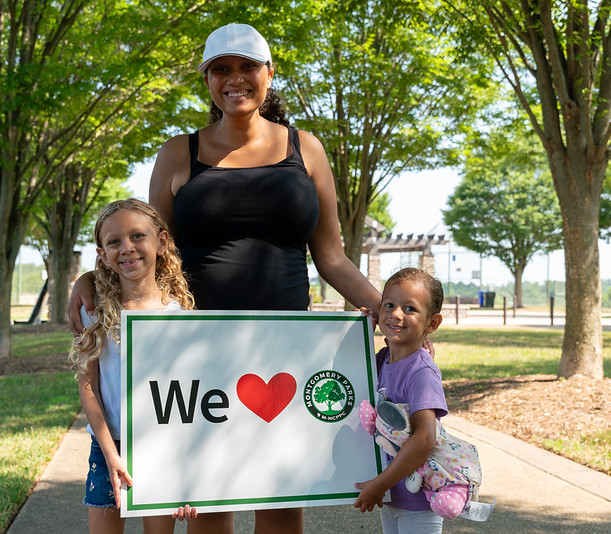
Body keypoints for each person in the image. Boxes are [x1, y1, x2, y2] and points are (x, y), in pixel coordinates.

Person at [69, 22, 382, 534]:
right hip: (195, 352)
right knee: (208, 503)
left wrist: (389, 312)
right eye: (221, 69)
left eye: (247, 67)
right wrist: (90, 275)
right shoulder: (177, 152)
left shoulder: (308, 149)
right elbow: (146, 244)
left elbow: (332, 258)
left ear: (269, 74)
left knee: (281, 503)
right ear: (208, 81)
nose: (235, 79)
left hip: (287, 348)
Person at [68, 198, 197, 533]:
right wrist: (111, 454)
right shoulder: (93, 314)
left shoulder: (180, 315)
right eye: (114, 242)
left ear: (162, 242)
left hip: (163, 446)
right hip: (107, 446)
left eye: (137, 236)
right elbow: (88, 388)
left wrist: (185, 473)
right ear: (102, 255)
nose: (127, 248)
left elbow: (187, 397)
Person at [354, 268, 475, 534]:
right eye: (389, 305)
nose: (396, 314)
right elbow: (350, 376)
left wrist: (379, 484)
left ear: (431, 324)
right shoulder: (381, 360)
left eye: (410, 308)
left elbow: (424, 439)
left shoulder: (421, 372)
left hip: (419, 498)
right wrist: (361, 333)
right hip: (393, 495)